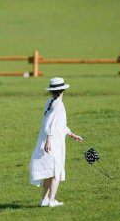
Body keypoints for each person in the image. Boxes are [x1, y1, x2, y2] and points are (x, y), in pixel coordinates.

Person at [29, 77, 83, 207]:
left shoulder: (50, 102)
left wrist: (71, 134)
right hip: (53, 142)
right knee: (56, 170)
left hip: (48, 140)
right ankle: (52, 200)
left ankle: (44, 199)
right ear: (63, 90)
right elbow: (51, 124)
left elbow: (58, 124)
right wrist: (49, 139)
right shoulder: (59, 105)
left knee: (49, 170)